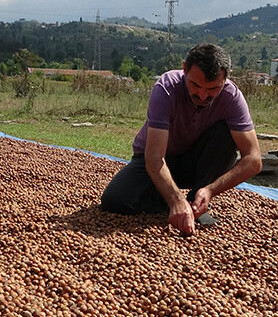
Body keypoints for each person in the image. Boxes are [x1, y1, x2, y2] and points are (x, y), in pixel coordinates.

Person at [100, 43, 262, 235]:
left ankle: (196, 203)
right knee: (115, 201)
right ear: (184, 69)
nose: (202, 95)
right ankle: (172, 201)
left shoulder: (232, 97)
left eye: (212, 89)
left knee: (226, 135)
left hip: (194, 162)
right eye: (195, 85)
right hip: (157, 161)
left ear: (226, 77)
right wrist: (176, 200)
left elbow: (253, 160)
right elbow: (153, 157)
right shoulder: (167, 88)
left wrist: (210, 190)